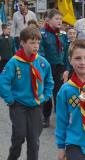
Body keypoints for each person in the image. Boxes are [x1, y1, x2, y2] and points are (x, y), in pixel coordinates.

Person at [0, 26, 54, 160]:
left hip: (36, 105)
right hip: (18, 105)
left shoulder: (42, 62)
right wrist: (10, 99)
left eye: (37, 43)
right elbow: (3, 82)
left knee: (34, 140)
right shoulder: (14, 62)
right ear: (22, 43)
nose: (36, 46)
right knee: (19, 136)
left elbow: (49, 81)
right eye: (32, 42)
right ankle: (12, 157)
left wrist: (45, 96)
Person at [38, 9, 69, 128]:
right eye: (56, 19)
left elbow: (66, 53)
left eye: (60, 19)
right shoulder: (42, 34)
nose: (59, 21)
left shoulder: (63, 35)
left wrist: (67, 68)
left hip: (60, 68)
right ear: (48, 20)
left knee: (60, 93)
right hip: (47, 68)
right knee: (47, 93)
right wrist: (44, 68)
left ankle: (61, 117)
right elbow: (40, 53)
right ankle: (45, 117)